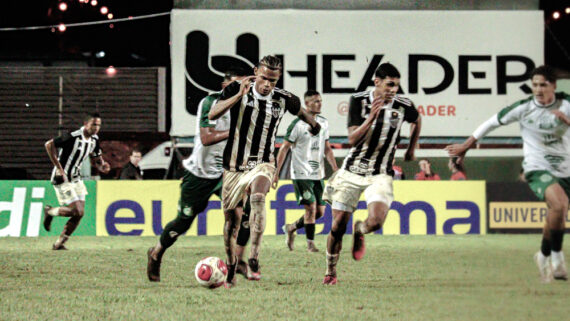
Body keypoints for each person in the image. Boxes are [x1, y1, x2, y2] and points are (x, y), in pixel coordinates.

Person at [445, 65, 569, 282]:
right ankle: (558, 259)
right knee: (559, 206)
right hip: (537, 167)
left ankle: (542, 254)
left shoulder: (566, 103)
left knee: (556, 213)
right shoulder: (524, 107)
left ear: (553, 86)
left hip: (565, 168)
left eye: (543, 85)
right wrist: (466, 146)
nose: (538, 90)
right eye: (535, 85)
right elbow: (491, 123)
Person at [208, 55, 321, 287]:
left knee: (258, 197)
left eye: (273, 80)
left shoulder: (283, 98)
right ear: (255, 71)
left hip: (263, 162)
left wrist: (314, 124)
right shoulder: (236, 88)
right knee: (231, 222)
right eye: (264, 78)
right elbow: (213, 114)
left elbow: (301, 111)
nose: (268, 84)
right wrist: (238, 97)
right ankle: (230, 265)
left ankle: (254, 256)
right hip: (234, 167)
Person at [146, 68, 250, 282]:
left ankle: (236, 263)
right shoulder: (209, 103)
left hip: (225, 174)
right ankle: (156, 253)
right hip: (198, 175)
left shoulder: (245, 109)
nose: (243, 90)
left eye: (244, 86)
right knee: (183, 222)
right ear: (225, 86)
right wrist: (234, 133)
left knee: (241, 215)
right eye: (238, 85)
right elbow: (206, 138)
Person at [322, 62, 421, 285]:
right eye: (389, 85)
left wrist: (412, 149)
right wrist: (372, 117)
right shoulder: (358, 100)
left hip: (380, 173)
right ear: (376, 82)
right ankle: (330, 271)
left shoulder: (403, 105)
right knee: (337, 226)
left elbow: (417, 120)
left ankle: (361, 229)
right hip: (352, 171)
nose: (393, 90)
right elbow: (352, 139)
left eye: (396, 86)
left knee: (376, 221)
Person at [274, 90, 339, 252]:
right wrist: (276, 172)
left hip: (318, 174)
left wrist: (335, 169)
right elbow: (284, 149)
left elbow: (327, 149)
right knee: (310, 208)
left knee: (320, 212)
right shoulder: (297, 125)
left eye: (320, 100)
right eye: (316, 101)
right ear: (307, 104)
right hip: (301, 173)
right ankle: (310, 244)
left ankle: (291, 227)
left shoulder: (324, 123)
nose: (319, 103)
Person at [42, 112, 110, 250]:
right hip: (62, 178)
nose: (96, 128)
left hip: (76, 178)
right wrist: (59, 168)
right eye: (93, 125)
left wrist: (102, 164)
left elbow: (97, 157)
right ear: (86, 124)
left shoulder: (94, 140)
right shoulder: (73, 136)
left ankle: (59, 244)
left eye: (98, 125)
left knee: (80, 214)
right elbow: (49, 145)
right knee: (76, 211)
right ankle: (49, 212)